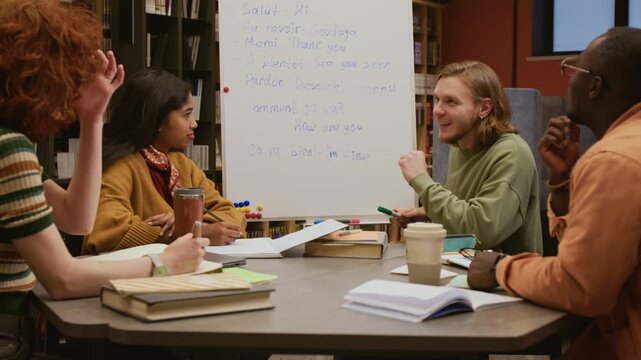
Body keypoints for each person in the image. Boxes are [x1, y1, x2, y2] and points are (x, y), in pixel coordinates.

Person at [0, 0, 208, 308]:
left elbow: (77, 220)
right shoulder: (9, 150)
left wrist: (93, 118)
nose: (72, 87)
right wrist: (162, 263)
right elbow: (63, 280)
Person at [468, 27, 641, 360]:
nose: (568, 79)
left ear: (595, 85)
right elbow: (597, 247)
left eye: (574, 69)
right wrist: (562, 180)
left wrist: (499, 269)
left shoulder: (613, 160)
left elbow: (581, 286)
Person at [82, 68, 246, 255]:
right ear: (157, 119)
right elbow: (107, 232)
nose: (194, 123)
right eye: (186, 114)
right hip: (137, 277)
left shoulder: (182, 165)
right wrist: (190, 232)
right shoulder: (121, 167)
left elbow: (232, 216)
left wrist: (184, 225)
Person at [397, 61, 542, 254]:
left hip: (506, 280)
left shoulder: (513, 154)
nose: (437, 110)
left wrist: (422, 181)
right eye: (437, 99)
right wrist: (429, 214)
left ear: (484, 108)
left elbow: (479, 233)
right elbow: (465, 206)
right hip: (463, 271)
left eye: (451, 101)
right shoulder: (460, 145)